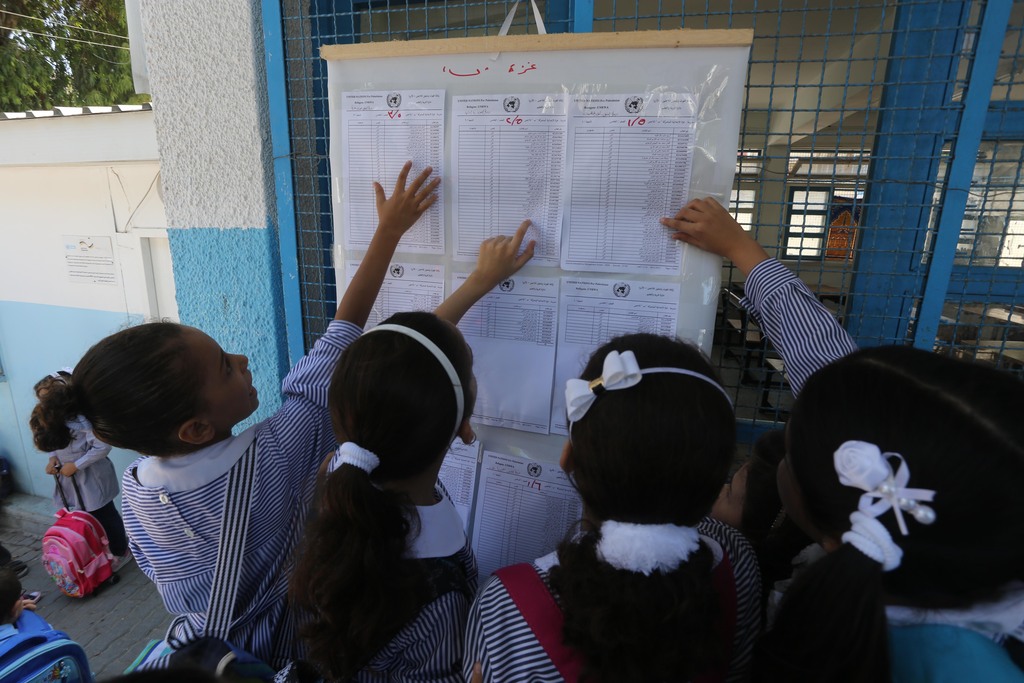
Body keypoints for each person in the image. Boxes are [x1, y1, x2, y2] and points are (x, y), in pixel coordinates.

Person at [26, 161, 439, 669]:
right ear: (196, 429)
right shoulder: (275, 454)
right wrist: (389, 231)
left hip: (215, 655)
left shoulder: (135, 489)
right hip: (287, 652)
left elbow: (155, 571)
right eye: (226, 367)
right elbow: (341, 335)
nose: (242, 360)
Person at [665, 198, 1024, 680]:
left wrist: (733, 541)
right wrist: (741, 248)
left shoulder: (843, 651)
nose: (778, 452)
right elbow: (825, 365)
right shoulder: (960, 552)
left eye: (790, 452)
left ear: (840, 540)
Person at [288, 222, 536, 682]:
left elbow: (403, 370)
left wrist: (478, 282)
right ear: (463, 427)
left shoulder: (336, 472)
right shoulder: (437, 597)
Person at [30, 374, 131, 569]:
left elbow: (102, 447)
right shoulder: (50, 418)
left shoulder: (83, 421)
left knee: (104, 513)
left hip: (92, 475)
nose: (43, 404)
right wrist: (53, 458)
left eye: (47, 399)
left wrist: (76, 465)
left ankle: (120, 549)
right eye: (41, 399)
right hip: (68, 478)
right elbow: (52, 442)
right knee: (81, 516)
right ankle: (98, 553)